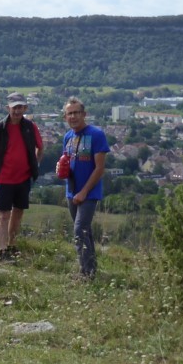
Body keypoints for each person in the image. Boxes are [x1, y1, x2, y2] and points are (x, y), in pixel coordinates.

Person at [0, 92, 43, 262]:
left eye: (20, 107)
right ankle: (2, 250)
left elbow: (40, 148)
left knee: (18, 213)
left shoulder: (30, 127)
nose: (17, 111)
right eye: (14, 107)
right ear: (7, 108)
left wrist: (34, 165)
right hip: (4, 178)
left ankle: (11, 244)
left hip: (24, 178)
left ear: (25, 108)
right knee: (3, 214)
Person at [62, 96, 109, 280]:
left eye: (76, 112)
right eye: (69, 113)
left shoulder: (96, 135)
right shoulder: (68, 137)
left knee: (79, 230)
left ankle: (85, 273)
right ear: (65, 117)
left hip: (89, 192)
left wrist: (84, 192)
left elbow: (99, 168)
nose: (73, 116)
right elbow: (66, 162)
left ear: (84, 114)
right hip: (71, 190)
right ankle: (92, 269)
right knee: (85, 231)